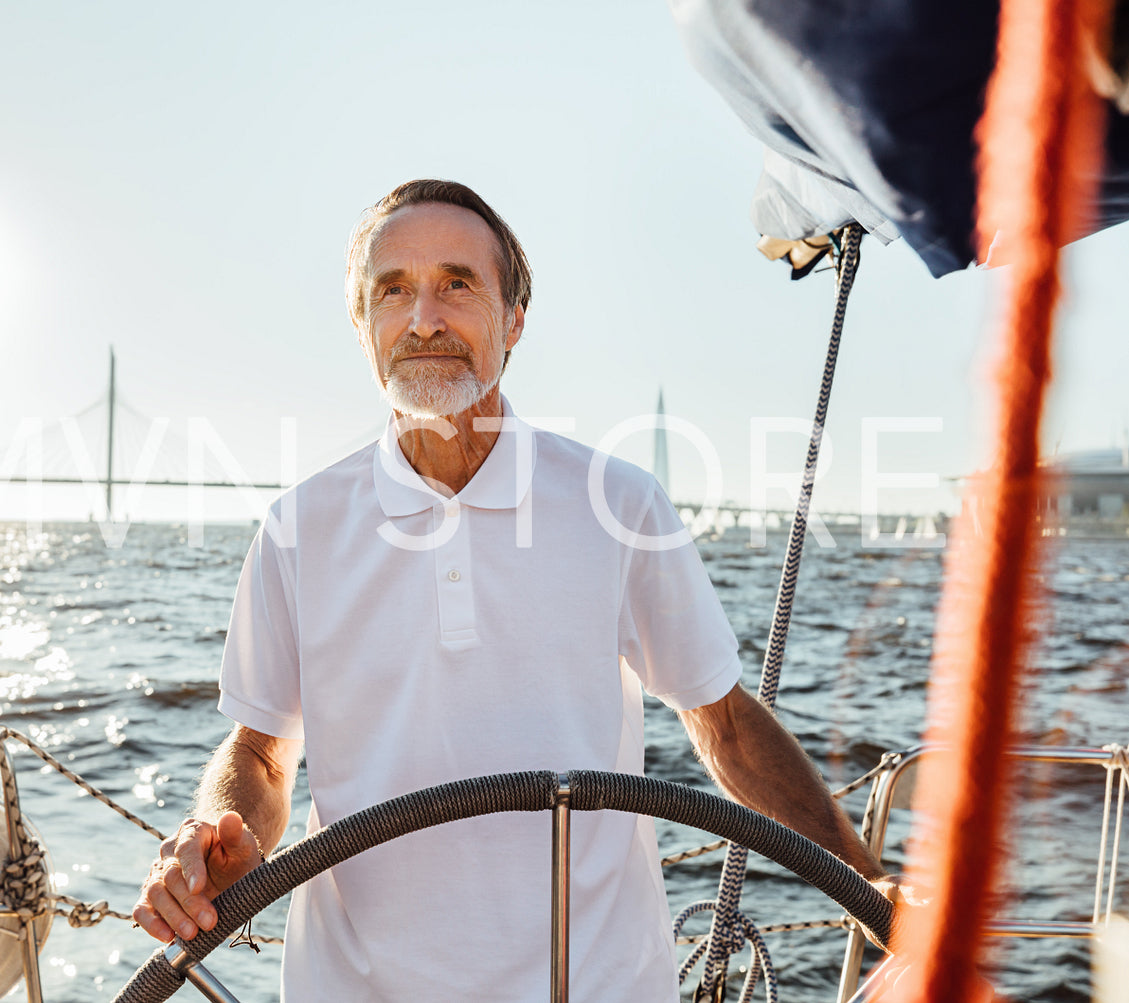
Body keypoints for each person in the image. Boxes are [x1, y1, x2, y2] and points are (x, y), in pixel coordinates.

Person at [133, 179, 891, 1001]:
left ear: (514, 320)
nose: (424, 318)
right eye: (393, 291)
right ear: (362, 327)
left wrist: (869, 887)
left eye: (456, 283)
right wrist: (215, 830)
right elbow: (259, 753)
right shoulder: (295, 528)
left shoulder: (620, 504)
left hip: (598, 983)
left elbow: (727, 727)